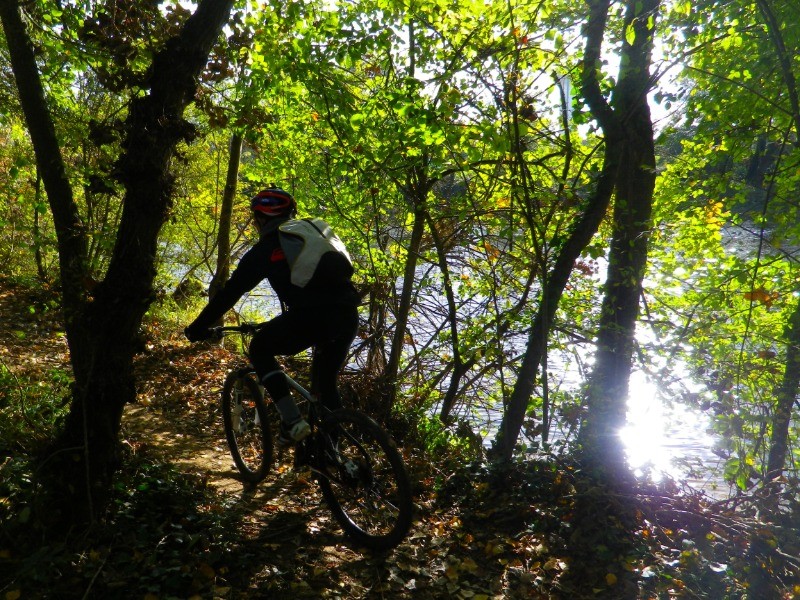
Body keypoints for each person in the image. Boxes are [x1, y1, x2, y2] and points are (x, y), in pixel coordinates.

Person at [184, 187, 361, 442]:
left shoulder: (266, 249)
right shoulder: (311, 237)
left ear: (260, 219)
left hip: (312, 317)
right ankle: (334, 453)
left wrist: (197, 327)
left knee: (260, 348)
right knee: (326, 383)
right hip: (347, 313)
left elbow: (229, 294)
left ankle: (293, 423)